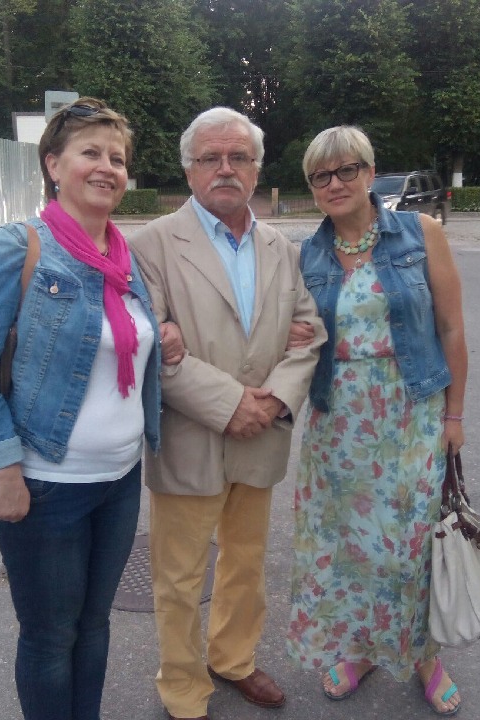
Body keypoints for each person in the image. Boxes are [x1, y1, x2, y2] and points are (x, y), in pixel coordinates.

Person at [0, 98, 183, 720]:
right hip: (46, 485)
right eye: (90, 153)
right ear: (53, 164)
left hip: (120, 480)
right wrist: (4, 472)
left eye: (117, 158)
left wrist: (163, 338)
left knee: (94, 625)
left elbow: (118, 346)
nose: (107, 167)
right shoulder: (16, 248)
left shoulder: (125, 260)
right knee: (51, 637)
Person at [129, 107, 327, 720]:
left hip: (261, 432)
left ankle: (234, 659)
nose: (224, 169)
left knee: (246, 563)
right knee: (180, 577)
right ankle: (183, 687)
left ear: (257, 169)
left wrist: (274, 400)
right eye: (209, 158)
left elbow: (310, 335)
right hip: (189, 436)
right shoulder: (150, 245)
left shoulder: (282, 249)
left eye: (238, 157)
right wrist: (231, 403)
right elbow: (148, 347)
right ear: (188, 169)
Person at [285, 126, 469, 716]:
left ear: (369, 173)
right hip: (338, 420)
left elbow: (451, 329)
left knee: (411, 546)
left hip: (411, 412)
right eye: (321, 176)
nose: (334, 183)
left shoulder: (421, 233)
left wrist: (455, 414)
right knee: (350, 545)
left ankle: (424, 656)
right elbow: (289, 335)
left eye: (347, 170)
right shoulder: (307, 254)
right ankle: (362, 648)